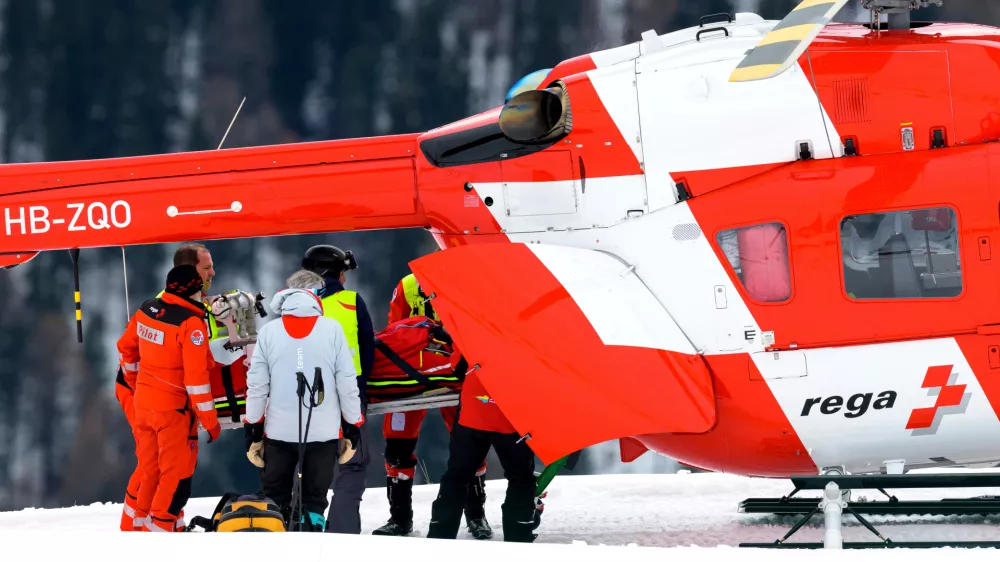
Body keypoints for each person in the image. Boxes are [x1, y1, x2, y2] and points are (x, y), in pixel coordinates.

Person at [243, 270, 364, 531]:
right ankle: (312, 535)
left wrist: (252, 428)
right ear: (318, 295)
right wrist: (353, 425)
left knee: (275, 497)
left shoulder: (269, 332)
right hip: (323, 432)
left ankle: (275, 537)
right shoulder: (332, 329)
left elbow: (257, 386)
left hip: (278, 431)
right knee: (315, 501)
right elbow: (347, 382)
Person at [373, 273, 491, 539]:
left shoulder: (469, 283)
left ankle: (476, 517)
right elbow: (395, 331)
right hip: (409, 375)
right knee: (397, 443)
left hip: (454, 374)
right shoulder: (407, 284)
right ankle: (399, 519)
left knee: (471, 443)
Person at [116, 243, 218, 531]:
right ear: (192, 289)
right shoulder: (191, 324)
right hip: (171, 410)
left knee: (149, 469)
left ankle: (135, 528)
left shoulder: (148, 308)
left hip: (142, 403)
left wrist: (137, 382)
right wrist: (211, 422)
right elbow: (196, 382)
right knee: (173, 476)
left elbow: (125, 348)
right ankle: (161, 533)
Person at [300, 244, 374, 534]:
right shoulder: (352, 301)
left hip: (304, 395)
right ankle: (342, 532)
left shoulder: (291, 305)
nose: (345, 280)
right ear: (331, 273)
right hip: (347, 393)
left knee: (307, 462)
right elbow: (367, 349)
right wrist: (362, 386)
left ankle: (304, 525)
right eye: (343, 273)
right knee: (353, 463)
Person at [427, 368, 536, 543]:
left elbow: (458, 365)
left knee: (456, 476)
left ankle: (439, 538)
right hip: (511, 416)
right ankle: (519, 541)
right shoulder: (531, 341)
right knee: (521, 478)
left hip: (473, 410)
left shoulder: (474, 339)